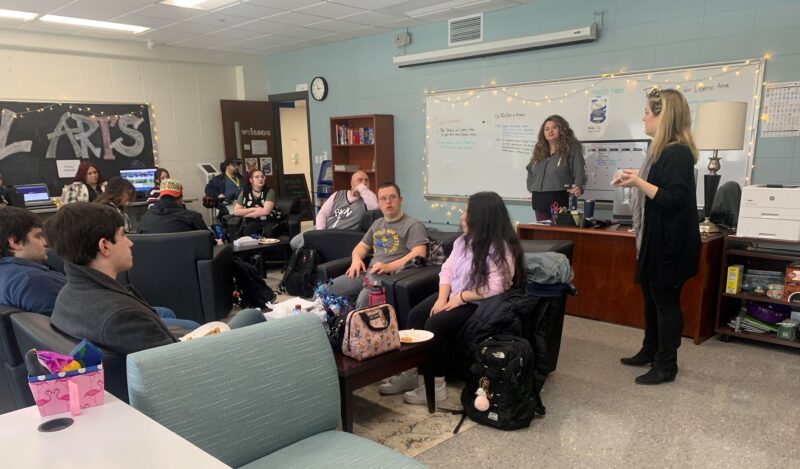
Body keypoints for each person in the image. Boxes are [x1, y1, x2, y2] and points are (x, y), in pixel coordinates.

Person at [46, 203, 264, 356]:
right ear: (104, 246)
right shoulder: (121, 316)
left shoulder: (68, 294)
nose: (130, 243)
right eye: (123, 235)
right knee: (251, 316)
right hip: (190, 368)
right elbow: (173, 367)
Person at [380, 192, 524, 404]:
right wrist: (442, 298)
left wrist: (462, 297)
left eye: (468, 211)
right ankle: (410, 375)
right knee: (415, 316)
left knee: (435, 324)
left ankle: (436, 387)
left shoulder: (500, 249)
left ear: (482, 217)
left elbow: (497, 287)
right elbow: (446, 270)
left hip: (478, 304)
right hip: (453, 295)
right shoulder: (462, 241)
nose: (463, 216)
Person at [614, 88, 701, 385]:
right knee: (651, 300)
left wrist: (638, 181)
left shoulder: (677, 152)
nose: (643, 117)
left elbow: (672, 198)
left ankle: (666, 365)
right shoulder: (659, 152)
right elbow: (657, 190)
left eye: (648, 113)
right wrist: (635, 179)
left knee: (666, 303)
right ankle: (650, 349)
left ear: (664, 117)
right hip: (657, 241)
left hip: (671, 245)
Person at [0, 205, 193, 328]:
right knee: (190, 325)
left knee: (164, 313)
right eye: (38, 236)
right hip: (104, 325)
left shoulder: (15, 276)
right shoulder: (32, 282)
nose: (44, 243)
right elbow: (68, 327)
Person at [330, 182, 427, 309]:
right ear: (378, 202)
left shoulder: (413, 225)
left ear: (400, 200)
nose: (388, 202)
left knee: (364, 301)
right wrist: (356, 259)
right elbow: (362, 247)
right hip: (367, 273)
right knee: (324, 290)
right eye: (383, 198)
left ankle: (355, 326)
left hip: (390, 277)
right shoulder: (377, 223)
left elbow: (420, 254)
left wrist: (388, 266)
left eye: (392, 197)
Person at [289, 170, 378, 250]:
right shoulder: (338, 194)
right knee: (295, 242)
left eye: (367, 181)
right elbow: (322, 213)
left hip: (340, 236)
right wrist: (320, 232)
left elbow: (376, 207)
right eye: (360, 180)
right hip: (323, 229)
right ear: (352, 184)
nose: (364, 183)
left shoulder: (367, 200)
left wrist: (362, 189)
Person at [0, 206, 65, 315]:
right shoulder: (35, 282)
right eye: (38, 236)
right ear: (15, 242)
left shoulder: (7, 275)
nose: (45, 243)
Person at [525, 115, 586, 221]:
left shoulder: (572, 148)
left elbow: (579, 171)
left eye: (555, 127)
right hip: (539, 200)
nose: (550, 131)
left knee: (558, 235)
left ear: (562, 129)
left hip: (560, 198)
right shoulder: (540, 150)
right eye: (546, 129)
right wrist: (531, 187)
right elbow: (530, 170)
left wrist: (578, 186)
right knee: (542, 235)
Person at [138, 179, 218, 244]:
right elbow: (209, 241)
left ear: (160, 196)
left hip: (153, 262)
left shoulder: (145, 218)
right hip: (187, 262)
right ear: (180, 199)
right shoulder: (192, 217)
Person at [232, 169, 283, 238]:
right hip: (253, 221)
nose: (260, 179)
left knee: (269, 232)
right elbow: (236, 211)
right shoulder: (245, 192)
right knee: (246, 233)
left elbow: (265, 211)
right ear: (251, 180)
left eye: (262, 177)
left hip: (269, 220)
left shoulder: (270, 191)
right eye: (257, 177)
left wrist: (245, 215)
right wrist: (254, 209)